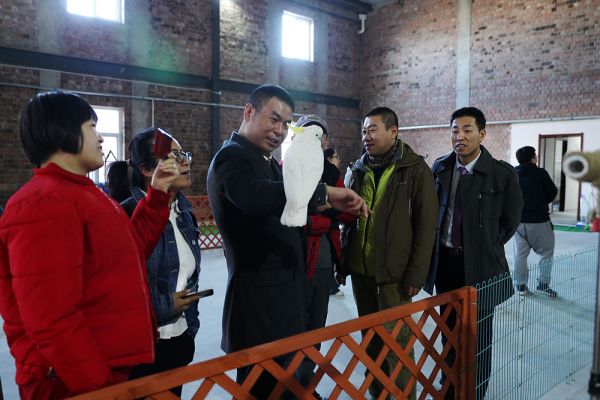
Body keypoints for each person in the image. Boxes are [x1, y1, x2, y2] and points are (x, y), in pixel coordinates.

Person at [0, 91, 179, 399]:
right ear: (62, 130)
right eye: (92, 126)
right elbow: (52, 318)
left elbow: (127, 254)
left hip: (99, 370)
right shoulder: (44, 203)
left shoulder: (84, 194)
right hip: (74, 380)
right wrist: (100, 386)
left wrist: (157, 195)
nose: (100, 138)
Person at [206, 84, 368, 398]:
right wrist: (324, 192)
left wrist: (328, 203)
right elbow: (257, 196)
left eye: (285, 123)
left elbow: (286, 203)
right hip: (260, 308)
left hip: (283, 301)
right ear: (249, 112)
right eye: (273, 119)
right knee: (265, 391)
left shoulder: (264, 160)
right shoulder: (232, 158)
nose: (280, 131)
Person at [424, 107, 523, 399]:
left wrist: (486, 245)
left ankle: (475, 392)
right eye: (455, 130)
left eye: (467, 130)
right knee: (447, 333)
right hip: (446, 265)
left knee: (477, 338)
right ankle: (449, 389)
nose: (460, 136)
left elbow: (510, 220)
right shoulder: (441, 168)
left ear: (482, 134)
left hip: (481, 267)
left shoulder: (501, 174)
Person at [341, 106, 438, 400]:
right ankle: (378, 394)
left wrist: (416, 274)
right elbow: (349, 221)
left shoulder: (415, 170)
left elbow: (426, 226)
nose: (366, 137)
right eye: (364, 131)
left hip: (395, 274)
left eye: (373, 130)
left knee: (398, 344)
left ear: (393, 132)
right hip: (362, 272)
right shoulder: (358, 169)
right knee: (370, 341)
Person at [111, 128, 202, 397]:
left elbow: (191, 279)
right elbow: (119, 288)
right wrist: (163, 307)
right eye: (175, 157)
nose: (185, 163)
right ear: (147, 169)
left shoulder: (185, 214)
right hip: (142, 347)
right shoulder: (126, 214)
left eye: (185, 155)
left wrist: (189, 329)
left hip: (179, 340)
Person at [293, 116, 356, 396]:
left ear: (325, 141)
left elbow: (347, 211)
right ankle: (290, 386)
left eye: (318, 136)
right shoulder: (285, 167)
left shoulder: (331, 173)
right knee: (292, 326)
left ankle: (306, 385)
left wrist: (320, 208)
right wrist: (325, 207)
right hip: (292, 259)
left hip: (322, 259)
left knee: (316, 325)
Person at [513, 146, 558, 297]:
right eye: (535, 156)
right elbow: (552, 193)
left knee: (520, 254)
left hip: (518, 222)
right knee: (546, 253)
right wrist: (540, 201)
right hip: (539, 221)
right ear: (533, 158)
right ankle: (543, 285)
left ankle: (521, 287)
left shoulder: (513, 173)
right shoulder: (540, 173)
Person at [323, 147, 345, 297]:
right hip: (326, 229)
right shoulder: (332, 175)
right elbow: (341, 205)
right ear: (329, 159)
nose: (339, 161)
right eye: (337, 157)